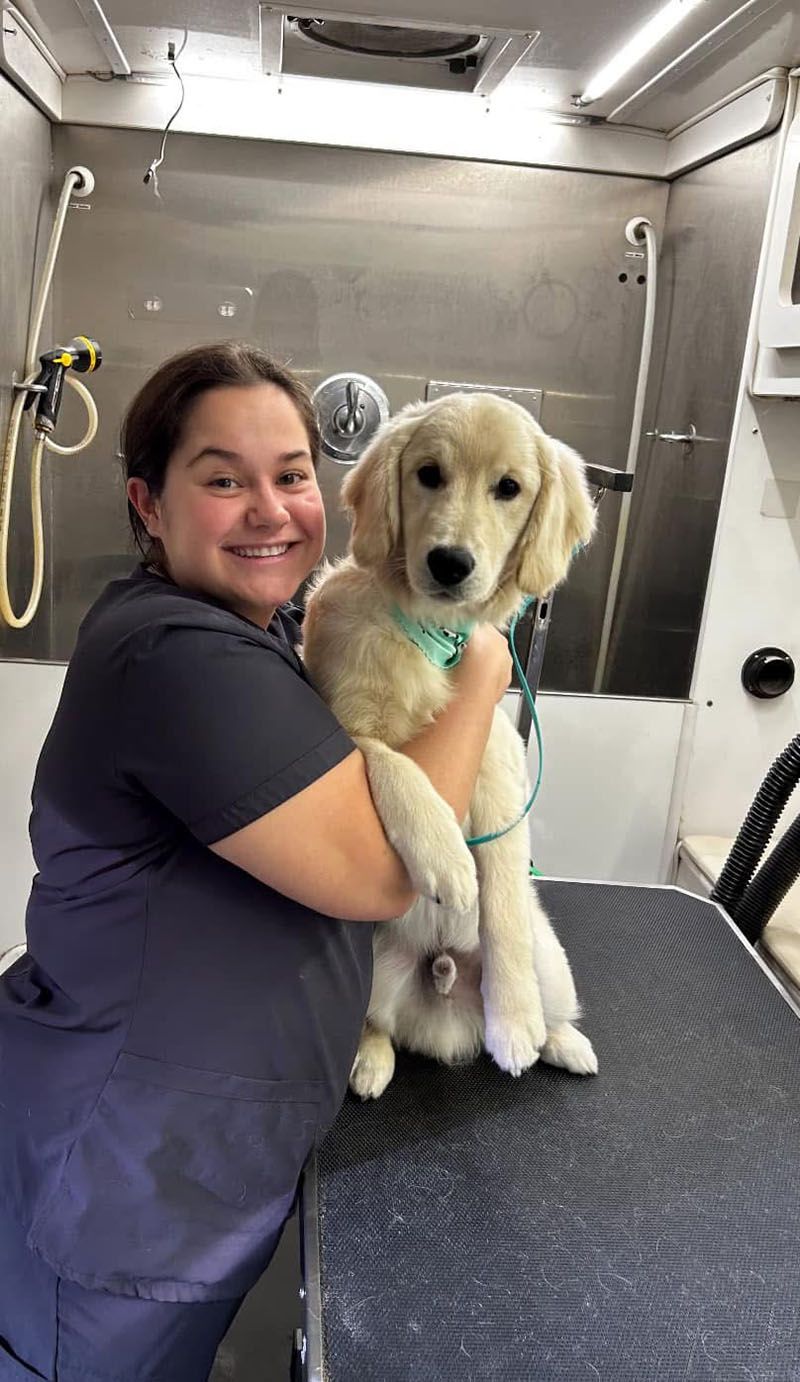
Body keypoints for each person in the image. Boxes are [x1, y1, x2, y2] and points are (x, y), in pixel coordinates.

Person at [0, 342, 512, 1381]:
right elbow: (377, 871)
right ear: (149, 504)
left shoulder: (258, 630)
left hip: (195, 1156)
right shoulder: (180, 657)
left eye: (289, 475)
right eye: (223, 479)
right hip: (127, 1179)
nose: (270, 507)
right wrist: (484, 668)